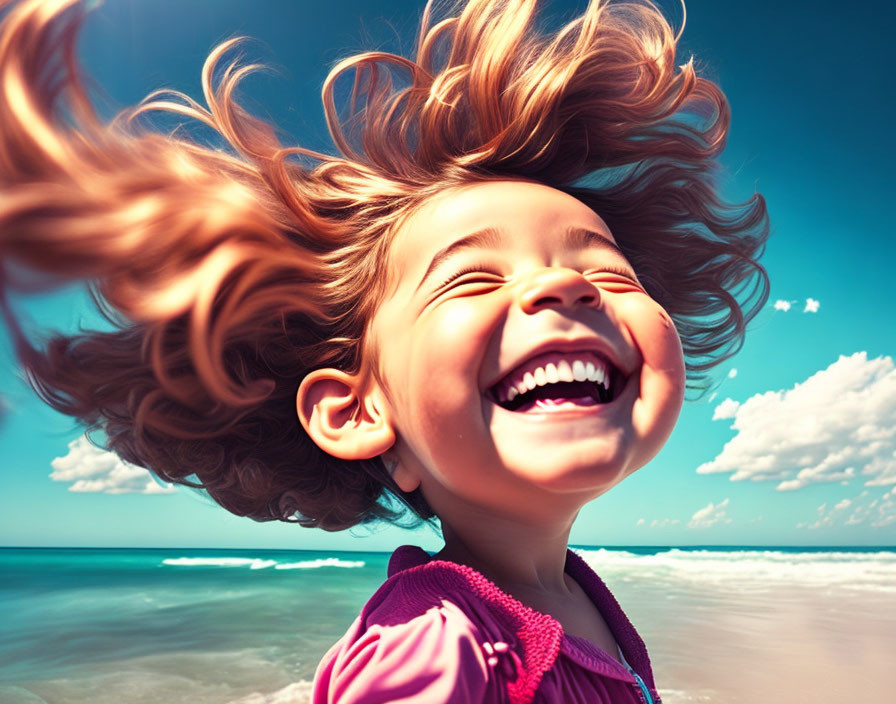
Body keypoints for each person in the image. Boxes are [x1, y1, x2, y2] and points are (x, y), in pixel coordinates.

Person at [0, 0, 769, 702]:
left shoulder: (582, 600)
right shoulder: (436, 642)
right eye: (472, 278)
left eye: (603, 268)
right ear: (356, 411)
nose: (566, 289)